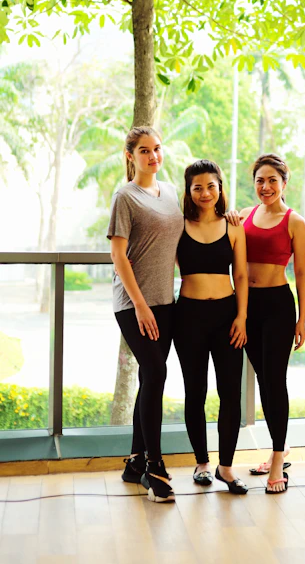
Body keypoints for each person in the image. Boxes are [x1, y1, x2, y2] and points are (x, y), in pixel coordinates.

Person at [108, 126, 184, 504]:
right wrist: (139, 304)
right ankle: (154, 466)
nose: (153, 156)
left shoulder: (170, 192)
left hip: (166, 302)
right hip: (133, 303)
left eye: (157, 149)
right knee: (156, 372)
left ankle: (134, 463)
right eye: (144, 150)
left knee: (150, 379)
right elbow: (118, 255)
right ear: (130, 156)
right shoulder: (125, 196)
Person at [226, 154, 305, 493]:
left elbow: (302, 272)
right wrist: (230, 215)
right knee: (262, 378)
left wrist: (303, 317)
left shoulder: (295, 222)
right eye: (260, 180)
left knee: (274, 380)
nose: (266, 186)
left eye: (272, 180)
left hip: (277, 305)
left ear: (284, 183)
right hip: (246, 306)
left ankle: (278, 457)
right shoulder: (243, 215)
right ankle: (283, 445)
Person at [174, 159, 249, 495]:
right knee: (196, 392)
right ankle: (202, 462)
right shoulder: (177, 225)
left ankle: (226, 467)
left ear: (220, 187)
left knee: (230, 393)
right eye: (198, 187)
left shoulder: (234, 226)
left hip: (226, 316)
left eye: (211, 186)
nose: (205, 193)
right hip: (188, 316)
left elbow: (242, 276)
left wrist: (241, 317)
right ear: (189, 191)